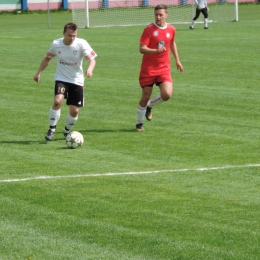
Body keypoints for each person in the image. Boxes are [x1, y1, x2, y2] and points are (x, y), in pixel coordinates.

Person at [33, 23, 97, 141]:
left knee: (74, 110)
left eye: (74, 36)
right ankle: (51, 129)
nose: (72, 38)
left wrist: (89, 69)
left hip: (77, 80)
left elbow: (92, 60)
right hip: (61, 78)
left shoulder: (82, 43)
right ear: (63, 33)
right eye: (69, 35)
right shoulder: (56, 44)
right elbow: (48, 58)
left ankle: (67, 131)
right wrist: (39, 72)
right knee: (57, 101)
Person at [136, 4, 184, 131]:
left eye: (161, 15)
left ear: (166, 15)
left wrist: (177, 60)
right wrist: (155, 51)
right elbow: (142, 49)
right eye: (156, 15)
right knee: (145, 95)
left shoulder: (171, 29)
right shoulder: (149, 29)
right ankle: (139, 123)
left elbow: (172, 43)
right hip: (149, 68)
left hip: (164, 67)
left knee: (167, 94)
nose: (158, 17)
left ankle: (149, 106)